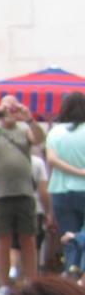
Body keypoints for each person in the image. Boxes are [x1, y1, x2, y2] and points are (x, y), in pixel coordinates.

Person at [0, 95, 49, 295]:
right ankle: (5, 284)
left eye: (14, 107)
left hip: (24, 192)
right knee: (3, 240)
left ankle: (31, 282)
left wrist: (29, 118)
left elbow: (39, 138)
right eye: (7, 107)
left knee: (28, 239)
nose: (10, 111)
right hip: (1, 194)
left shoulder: (24, 130)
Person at [46, 91, 85, 281]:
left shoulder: (55, 132)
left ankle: (71, 275)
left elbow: (51, 160)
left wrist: (74, 171)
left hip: (61, 191)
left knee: (69, 238)